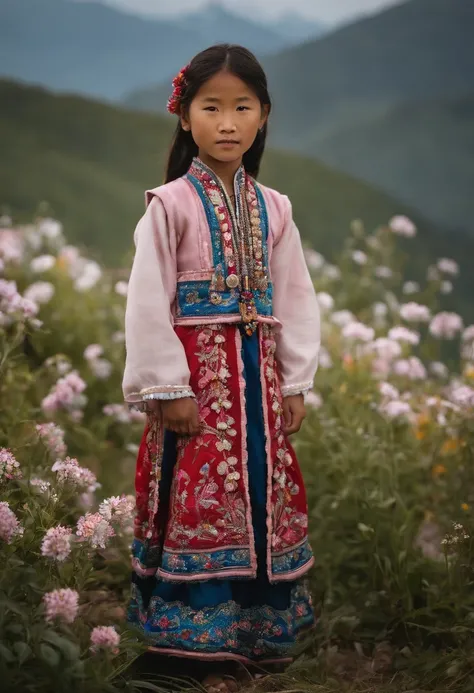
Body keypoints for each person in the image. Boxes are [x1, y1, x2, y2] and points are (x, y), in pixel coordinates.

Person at [122, 43, 321, 692]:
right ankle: (188, 646)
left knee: (259, 495)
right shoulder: (171, 205)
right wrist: (167, 384)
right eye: (212, 107)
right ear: (185, 116)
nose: (228, 122)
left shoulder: (276, 208)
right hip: (197, 392)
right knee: (199, 500)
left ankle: (254, 635)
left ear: (264, 115)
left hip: (258, 392)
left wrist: (294, 381)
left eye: (243, 107)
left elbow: (295, 297)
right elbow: (147, 297)